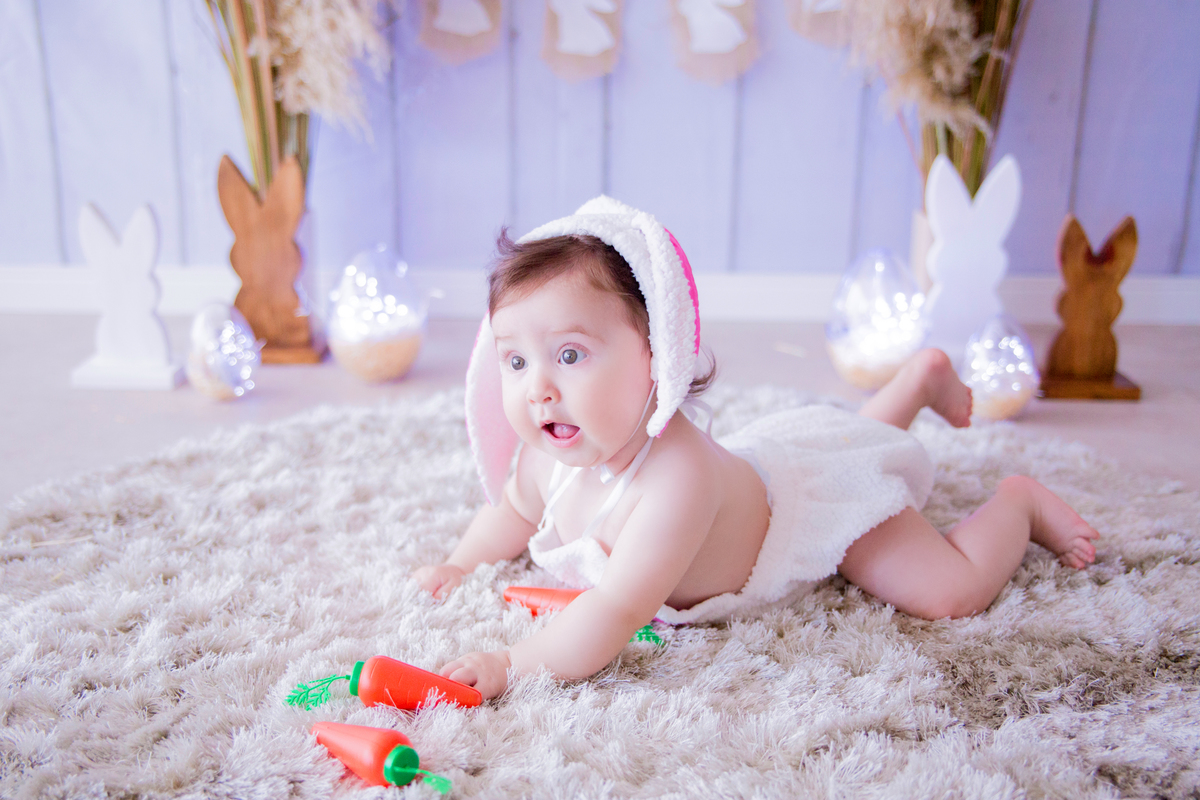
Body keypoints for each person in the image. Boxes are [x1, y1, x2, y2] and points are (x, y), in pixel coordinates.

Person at [413, 196, 1099, 700]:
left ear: (657, 355)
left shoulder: (675, 480)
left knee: (948, 589)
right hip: (772, 459)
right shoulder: (547, 456)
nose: (538, 389)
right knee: (846, 438)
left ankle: (1020, 505)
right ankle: (916, 383)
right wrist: (461, 561)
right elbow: (513, 509)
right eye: (515, 361)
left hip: (806, 520)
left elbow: (616, 611)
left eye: (569, 354)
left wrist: (512, 664)